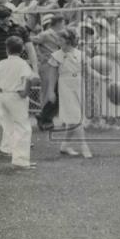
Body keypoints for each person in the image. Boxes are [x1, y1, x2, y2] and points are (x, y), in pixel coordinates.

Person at [0, 36, 39, 170]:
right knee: (23, 128)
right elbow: (28, 79)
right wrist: (26, 92)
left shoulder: (2, 63)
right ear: (22, 50)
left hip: (4, 95)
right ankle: (20, 161)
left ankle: (12, 154)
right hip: (16, 96)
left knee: (10, 126)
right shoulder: (22, 63)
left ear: (7, 49)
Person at [45, 29, 93, 159]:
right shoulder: (56, 55)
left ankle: (65, 146)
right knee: (75, 116)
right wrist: (50, 91)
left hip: (78, 85)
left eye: (60, 39)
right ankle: (84, 147)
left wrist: (102, 77)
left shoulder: (80, 54)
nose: (58, 41)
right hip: (65, 86)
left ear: (68, 40)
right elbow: (52, 75)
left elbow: (89, 70)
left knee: (74, 118)